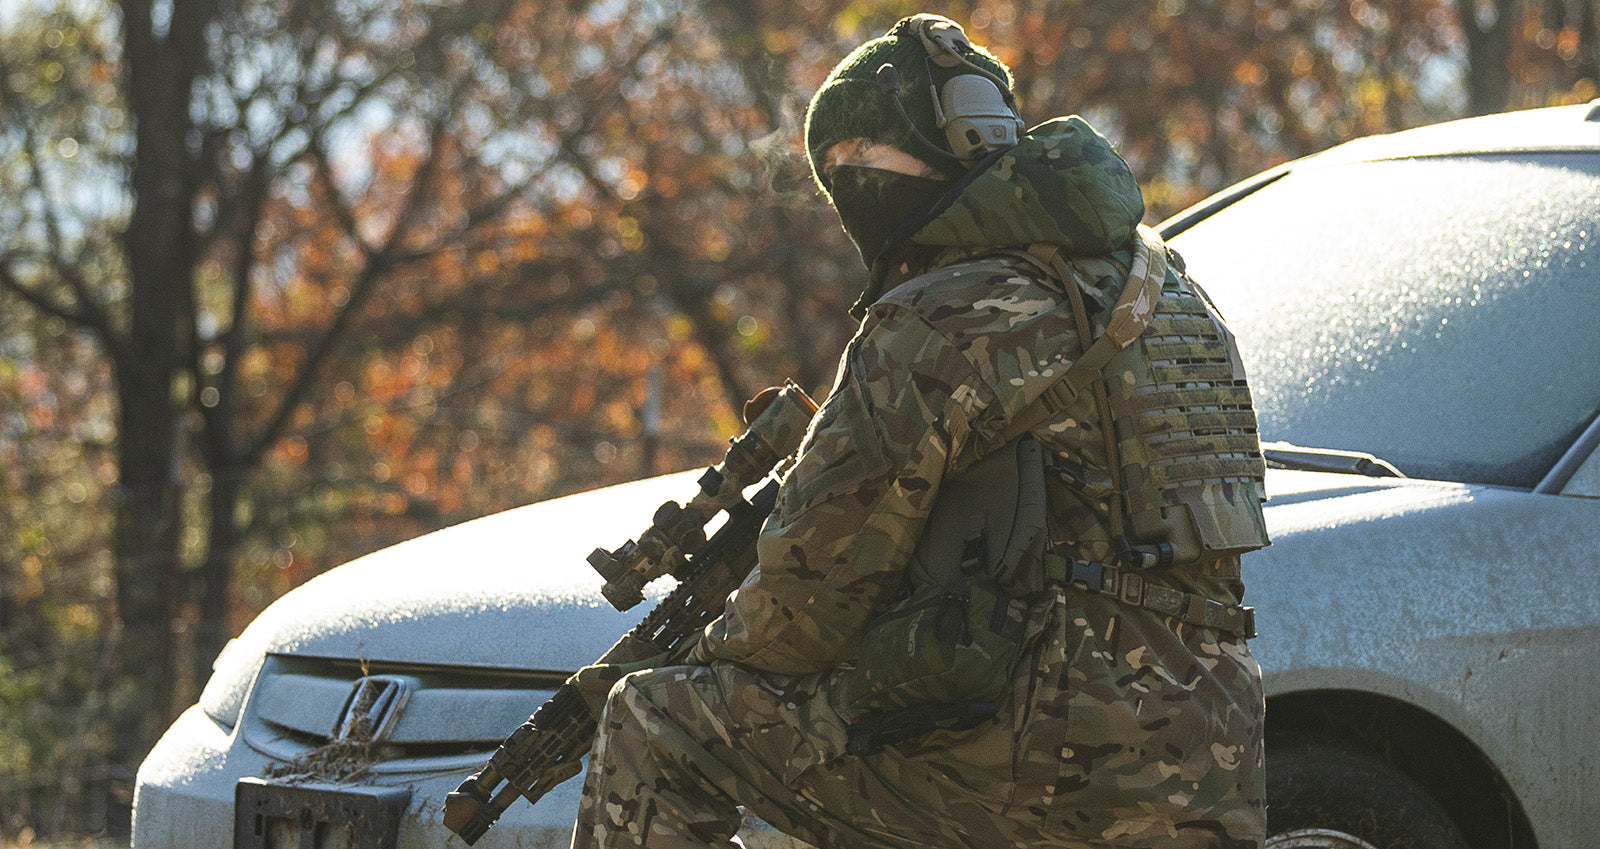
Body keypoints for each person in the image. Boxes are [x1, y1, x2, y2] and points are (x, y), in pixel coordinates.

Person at [572, 14, 1270, 849]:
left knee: (657, 722)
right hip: (1213, 757)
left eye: (853, 160)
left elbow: (806, 604)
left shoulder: (937, 314)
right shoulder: (1174, 293)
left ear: (928, 152)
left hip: (1041, 761)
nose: (844, 189)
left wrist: (702, 648)